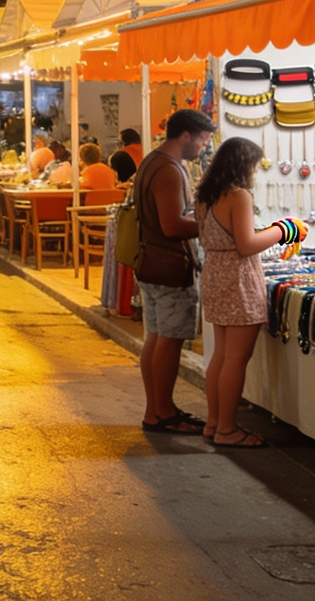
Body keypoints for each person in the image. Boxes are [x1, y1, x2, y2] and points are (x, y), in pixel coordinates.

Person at [195, 137, 307, 449]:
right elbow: (246, 245)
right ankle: (228, 429)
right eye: (254, 166)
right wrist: (284, 229)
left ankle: (214, 422)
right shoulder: (238, 195)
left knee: (221, 354)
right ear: (244, 165)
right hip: (237, 279)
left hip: (216, 275)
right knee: (236, 359)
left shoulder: (206, 194)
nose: (255, 172)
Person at [134, 108, 216, 437]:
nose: (203, 148)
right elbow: (172, 225)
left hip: (152, 264)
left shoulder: (152, 162)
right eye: (202, 141)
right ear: (186, 136)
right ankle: (162, 412)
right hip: (170, 266)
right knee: (168, 341)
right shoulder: (169, 170)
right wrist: (212, 226)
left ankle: (155, 409)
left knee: (155, 338)